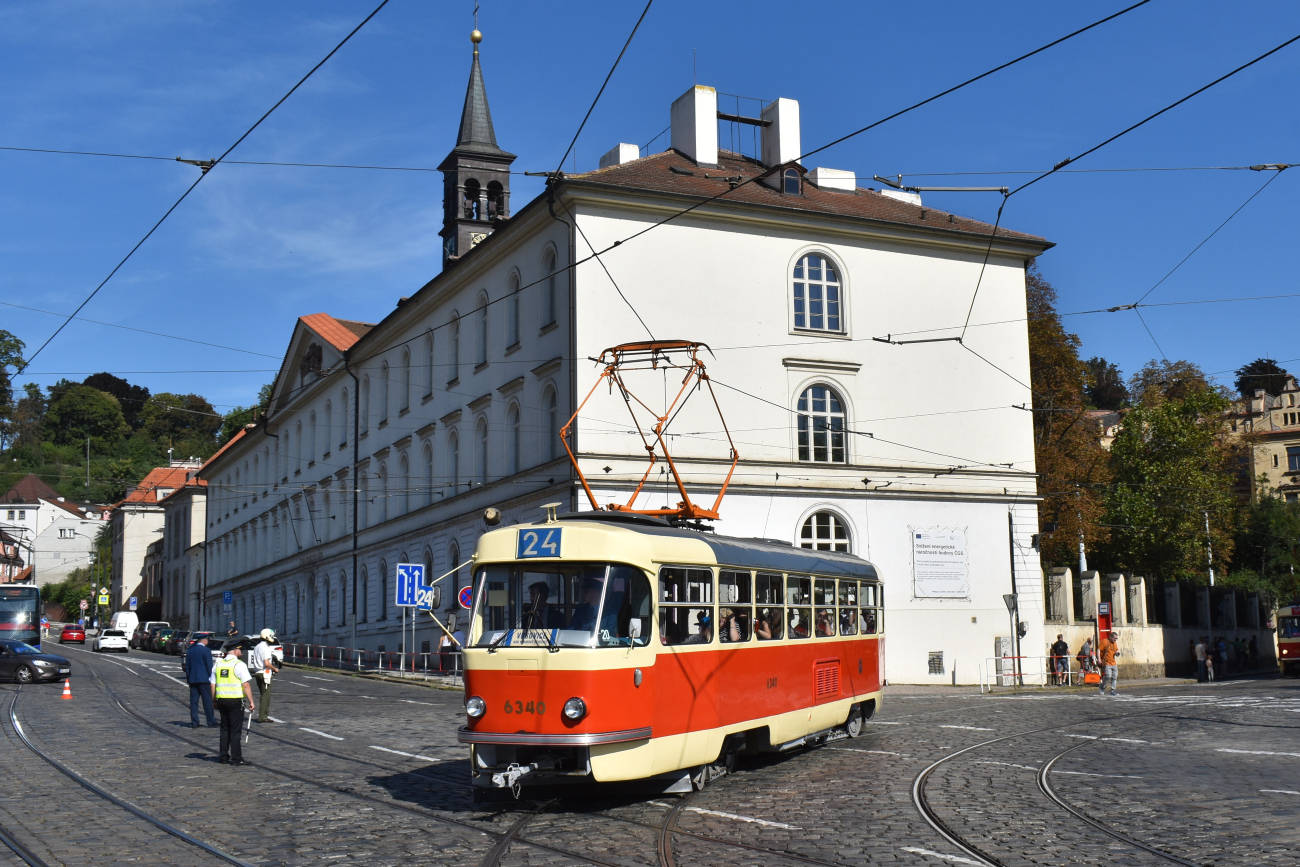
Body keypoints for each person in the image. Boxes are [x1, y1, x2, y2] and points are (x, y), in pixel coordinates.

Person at [211, 644, 255, 766]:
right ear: (235, 651)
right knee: (235, 730)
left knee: (224, 729)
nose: (241, 651)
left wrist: (214, 700)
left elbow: (212, 685)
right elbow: (245, 685)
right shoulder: (239, 664)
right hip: (235, 701)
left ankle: (223, 756)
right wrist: (251, 701)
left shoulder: (218, 664)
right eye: (240, 649)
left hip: (222, 700)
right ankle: (236, 758)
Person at [186, 634, 218, 728]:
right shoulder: (206, 650)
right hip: (204, 680)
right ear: (204, 640)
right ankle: (211, 721)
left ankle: (194, 722)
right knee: (207, 701)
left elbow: (188, 667)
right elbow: (209, 666)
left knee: (194, 702)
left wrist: (189, 679)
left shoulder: (190, 650)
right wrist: (211, 677)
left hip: (193, 679)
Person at [250, 629, 278, 723]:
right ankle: (263, 716)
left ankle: (264, 715)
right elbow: (266, 663)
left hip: (257, 672)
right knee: (265, 696)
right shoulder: (265, 647)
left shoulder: (257, 646)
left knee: (263, 694)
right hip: (264, 673)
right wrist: (275, 669)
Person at [1097, 631, 1120, 696]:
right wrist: (1099, 659)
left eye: (1116, 639)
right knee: (1108, 675)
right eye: (1114, 638)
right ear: (1110, 637)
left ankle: (1113, 690)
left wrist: (1117, 653)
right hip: (1106, 662)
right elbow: (1099, 649)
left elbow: (1117, 650)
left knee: (1114, 676)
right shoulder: (1105, 642)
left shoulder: (1115, 643)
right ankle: (1102, 686)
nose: (1115, 640)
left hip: (1113, 662)